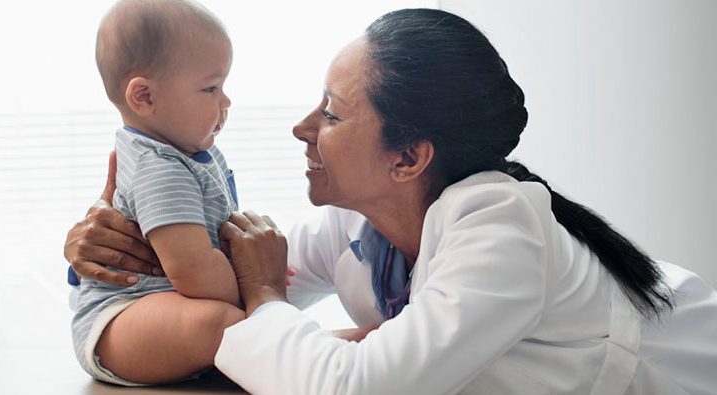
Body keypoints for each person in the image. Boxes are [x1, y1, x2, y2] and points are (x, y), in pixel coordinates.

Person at [65, 8, 717, 394]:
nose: (302, 128)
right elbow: (221, 287)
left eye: (331, 113)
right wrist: (115, 244)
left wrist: (264, 292)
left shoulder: (499, 223)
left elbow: (352, 385)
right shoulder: (358, 222)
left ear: (408, 158)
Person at [69, 0, 244, 386]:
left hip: (163, 310)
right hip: (120, 318)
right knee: (221, 323)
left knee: (232, 324)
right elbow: (193, 271)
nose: (226, 101)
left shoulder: (190, 152)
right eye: (211, 87)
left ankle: (290, 347)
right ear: (144, 97)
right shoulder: (159, 165)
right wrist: (260, 291)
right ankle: (296, 349)